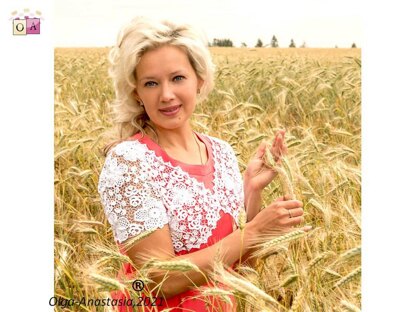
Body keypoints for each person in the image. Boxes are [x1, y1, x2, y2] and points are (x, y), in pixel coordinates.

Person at [98, 16, 307, 312]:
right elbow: (159, 279)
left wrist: (251, 191)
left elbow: (241, 263)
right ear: (137, 93)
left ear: (200, 79)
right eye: (151, 83)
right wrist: (254, 231)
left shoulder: (220, 152)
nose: (167, 94)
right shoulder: (128, 163)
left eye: (178, 78)